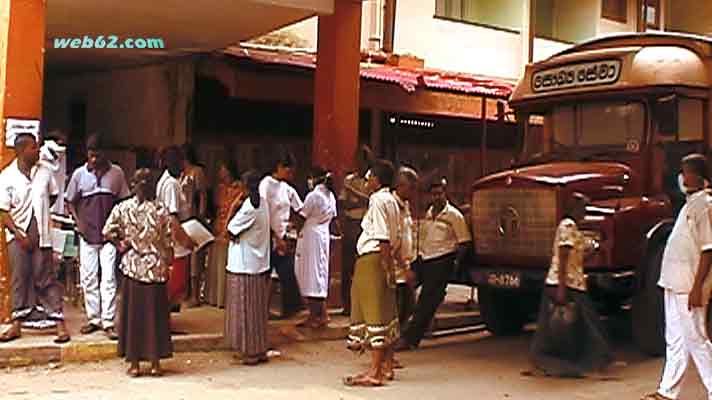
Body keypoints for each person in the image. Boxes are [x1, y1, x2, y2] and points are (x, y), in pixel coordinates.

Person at [103, 169, 190, 377]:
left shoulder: (122, 208)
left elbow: (106, 231)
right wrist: (169, 261)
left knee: (134, 317)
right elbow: (169, 243)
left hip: (132, 269)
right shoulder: (161, 211)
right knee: (155, 317)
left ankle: (134, 364)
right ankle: (154, 363)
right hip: (155, 270)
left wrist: (121, 244)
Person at [643, 154, 712, 400]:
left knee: (696, 339)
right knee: (675, 340)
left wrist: (696, 288)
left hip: (688, 285)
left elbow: (708, 250)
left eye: (685, 172)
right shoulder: (690, 204)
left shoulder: (705, 205)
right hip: (674, 282)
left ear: (696, 175)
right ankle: (667, 391)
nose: (681, 177)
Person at [530, 192, 612, 378]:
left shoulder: (573, 228)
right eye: (582, 208)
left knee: (551, 327)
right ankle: (596, 362)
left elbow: (578, 256)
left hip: (569, 281)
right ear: (574, 208)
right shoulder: (568, 226)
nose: (584, 212)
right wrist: (561, 287)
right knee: (590, 325)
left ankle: (548, 362)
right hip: (567, 283)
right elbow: (563, 257)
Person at [0, 132, 70, 343]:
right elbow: (3, 211)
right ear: (21, 151)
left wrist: (40, 216)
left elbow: (52, 195)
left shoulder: (45, 172)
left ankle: (59, 324)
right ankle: (17, 324)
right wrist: (19, 233)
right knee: (20, 278)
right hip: (17, 235)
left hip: (41, 234)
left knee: (45, 277)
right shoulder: (6, 177)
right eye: (33, 147)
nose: (38, 150)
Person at [65, 133, 129, 340]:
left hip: (109, 235)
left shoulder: (117, 174)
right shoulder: (79, 175)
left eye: (97, 155)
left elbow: (123, 203)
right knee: (88, 277)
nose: (93, 160)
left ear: (105, 154)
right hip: (87, 234)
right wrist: (79, 222)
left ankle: (108, 321)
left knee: (109, 277)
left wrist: (121, 231)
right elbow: (69, 201)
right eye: (91, 155)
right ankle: (94, 318)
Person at [396, 177, 471, 351]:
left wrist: (455, 264)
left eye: (440, 193)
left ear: (445, 193)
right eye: (434, 194)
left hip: (442, 260)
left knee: (427, 301)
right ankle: (399, 331)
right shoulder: (428, 213)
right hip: (423, 259)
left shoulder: (454, 215)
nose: (437, 197)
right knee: (404, 290)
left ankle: (410, 339)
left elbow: (464, 242)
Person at [344, 159, 400, 387]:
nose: (366, 183)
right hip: (383, 258)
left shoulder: (377, 200)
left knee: (373, 312)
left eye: (368, 179)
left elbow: (382, 236)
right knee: (384, 310)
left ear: (376, 180)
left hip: (373, 259)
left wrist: (385, 266)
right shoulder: (393, 200)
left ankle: (375, 371)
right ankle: (386, 366)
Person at [224, 170, 271, 366]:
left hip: (243, 265)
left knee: (244, 309)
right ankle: (259, 349)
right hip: (258, 264)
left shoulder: (248, 209)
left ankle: (249, 351)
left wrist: (232, 207)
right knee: (257, 311)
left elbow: (228, 230)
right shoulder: (263, 204)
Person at [259, 152, 304, 319]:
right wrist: (274, 237)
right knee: (266, 274)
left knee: (285, 274)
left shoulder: (287, 188)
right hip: (268, 236)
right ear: (279, 167)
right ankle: (261, 310)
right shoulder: (266, 184)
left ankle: (289, 310)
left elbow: (300, 209)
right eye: (288, 171)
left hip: (284, 235)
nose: (291, 175)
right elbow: (263, 212)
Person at [294, 167, 339, 328]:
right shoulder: (330, 196)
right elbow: (334, 219)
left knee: (312, 275)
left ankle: (316, 314)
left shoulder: (313, 196)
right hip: (323, 236)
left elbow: (301, 217)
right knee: (320, 273)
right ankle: (321, 313)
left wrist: (294, 232)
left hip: (312, 237)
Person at [156, 146, 196, 312]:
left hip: (170, 238)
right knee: (176, 284)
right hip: (175, 242)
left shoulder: (166, 181)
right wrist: (185, 240)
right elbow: (172, 217)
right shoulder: (171, 184)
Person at [339, 146, 374, 315]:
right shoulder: (349, 179)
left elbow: (370, 201)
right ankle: (346, 305)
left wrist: (354, 193)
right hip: (351, 223)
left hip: (365, 224)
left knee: (364, 266)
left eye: (362, 161)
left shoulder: (372, 181)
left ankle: (362, 306)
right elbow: (343, 203)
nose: (358, 164)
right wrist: (358, 201)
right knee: (347, 267)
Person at [206, 159, 244, 308]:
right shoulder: (219, 188)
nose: (220, 173)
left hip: (231, 227)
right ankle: (215, 297)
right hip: (218, 226)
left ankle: (227, 298)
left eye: (223, 170)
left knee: (226, 263)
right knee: (216, 262)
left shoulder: (239, 188)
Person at [179, 144, 208, 308]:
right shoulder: (180, 174)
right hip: (182, 220)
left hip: (193, 217)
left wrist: (201, 216)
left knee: (195, 259)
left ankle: (196, 295)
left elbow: (202, 194)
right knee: (185, 258)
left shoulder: (197, 172)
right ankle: (186, 293)